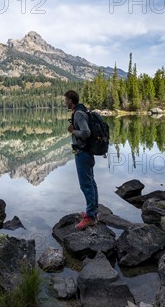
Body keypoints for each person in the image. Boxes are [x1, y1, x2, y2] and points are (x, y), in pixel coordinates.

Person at [64, 90, 99, 230]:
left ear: (71, 100)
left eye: (65, 99)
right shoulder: (81, 110)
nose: (64, 102)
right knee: (91, 182)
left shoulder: (78, 113)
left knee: (86, 185)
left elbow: (86, 133)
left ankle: (90, 217)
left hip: (83, 153)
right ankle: (93, 213)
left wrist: (73, 132)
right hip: (87, 152)